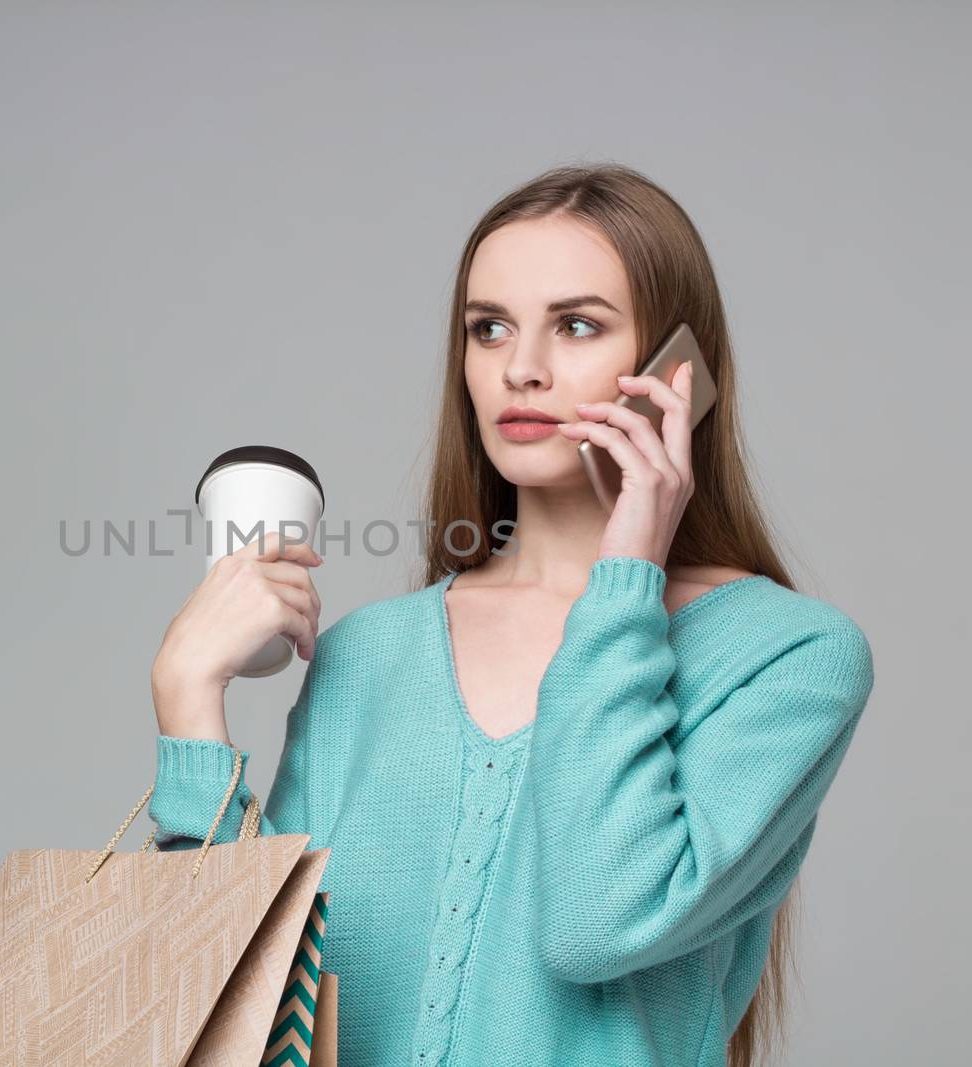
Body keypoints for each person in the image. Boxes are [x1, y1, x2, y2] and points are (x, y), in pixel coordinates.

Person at [147, 162, 875, 1067]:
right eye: (488, 329)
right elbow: (229, 1017)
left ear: (677, 372)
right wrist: (189, 708)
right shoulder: (369, 655)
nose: (520, 369)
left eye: (576, 326)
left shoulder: (789, 656)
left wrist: (626, 575)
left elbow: (600, 921)